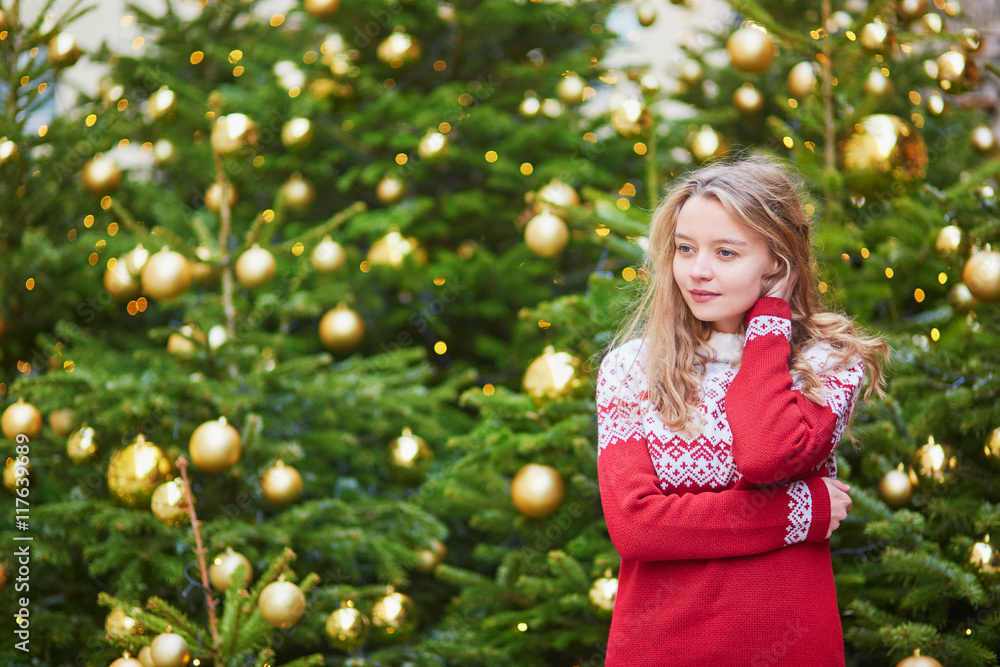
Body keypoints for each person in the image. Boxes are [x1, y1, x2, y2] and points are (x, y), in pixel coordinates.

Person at [595, 153, 889, 667]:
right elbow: (637, 528)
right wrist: (800, 510)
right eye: (685, 249)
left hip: (789, 648)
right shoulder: (630, 369)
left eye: (726, 253)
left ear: (776, 261)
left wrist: (769, 327)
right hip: (658, 649)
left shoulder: (829, 364)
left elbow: (765, 454)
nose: (698, 271)